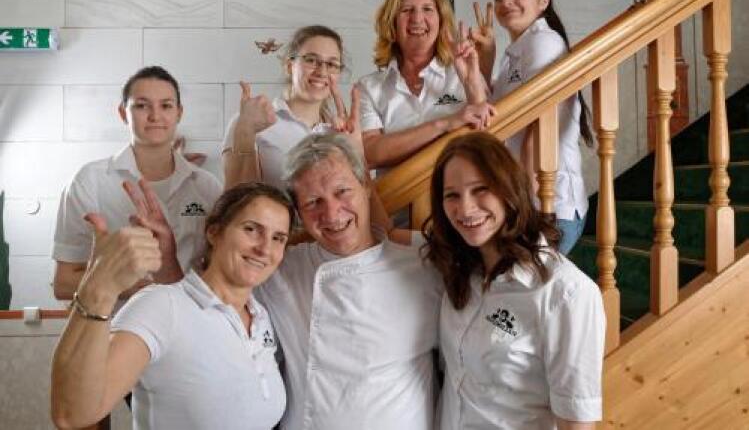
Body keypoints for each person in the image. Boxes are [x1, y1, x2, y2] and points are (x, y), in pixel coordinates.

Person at [51, 182, 293, 430]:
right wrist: (98, 288)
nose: (265, 249)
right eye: (251, 229)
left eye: (278, 238)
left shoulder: (261, 316)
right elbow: (73, 414)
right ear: (214, 232)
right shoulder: (160, 306)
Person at [255, 132, 443, 430]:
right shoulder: (281, 270)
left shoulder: (422, 267)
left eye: (342, 191)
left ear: (366, 186)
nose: (332, 213)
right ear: (299, 214)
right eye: (313, 202)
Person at [422, 132, 605, 429]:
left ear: (509, 189)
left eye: (480, 189)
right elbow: (383, 239)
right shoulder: (459, 265)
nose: (465, 209)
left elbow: (576, 424)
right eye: (452, 195)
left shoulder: (567, 293)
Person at [52, 66, 222, 299]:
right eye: (142, 106)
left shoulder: (207, 186)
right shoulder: (90, 181)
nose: (155, 116)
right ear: (123, 113)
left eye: (166, 106)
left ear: (179, 113)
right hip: (116, 320)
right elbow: (63, 284)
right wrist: (133, 288)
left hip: (190, 317)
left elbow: (217, 269)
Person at [471, 0, 594, 254]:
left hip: (547, 205)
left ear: (543, 1)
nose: (506, 2)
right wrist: (485, 61)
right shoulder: (516, 53)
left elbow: (536, 133)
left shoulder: (544, 41)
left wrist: (526, 214)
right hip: (525, 200)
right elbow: (488, 120)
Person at [359, 0, 495, 173]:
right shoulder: (369, 87)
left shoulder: (465, 72)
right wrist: (445, 124)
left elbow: (488, 141)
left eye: (427, 9)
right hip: (398, 195)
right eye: (406, 10)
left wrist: (471, 84)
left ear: (441, 20)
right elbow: (370, 153)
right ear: (392, 21)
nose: (417, 19)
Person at [222, 25, 349, 190]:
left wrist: (352, 147)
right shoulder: (250, 121)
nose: (322, 72)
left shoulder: (341, 132)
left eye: (332, 64)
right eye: (311, 60)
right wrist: (245, 131)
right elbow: (234, 199)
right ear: (289, 66)